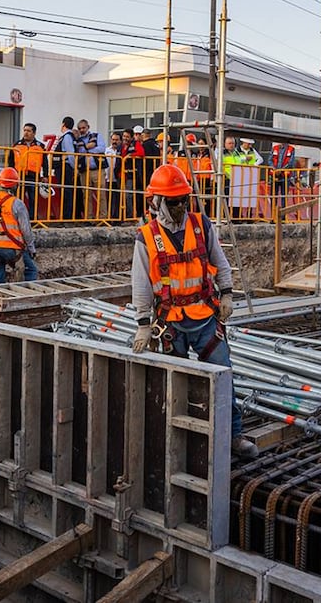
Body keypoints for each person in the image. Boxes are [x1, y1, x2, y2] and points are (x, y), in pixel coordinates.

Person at [130, 164, 259, 459]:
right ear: (157, 201)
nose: (179, 207)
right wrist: (142, 323)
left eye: (183, 200)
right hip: (170, 321)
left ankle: (232, 436)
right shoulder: (146, 237)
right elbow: (141, 283)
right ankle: (174, 441)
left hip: (203, 316)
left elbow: (221, 262)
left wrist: (226, 294)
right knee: (172, 382)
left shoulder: (201, 225)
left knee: (223, 375)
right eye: (173, 201)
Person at [0, 168, 37, 284]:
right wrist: (31, 249)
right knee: (31, 270)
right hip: (12, 249)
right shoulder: (17, 203)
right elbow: (26, 230)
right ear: (14, 186)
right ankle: (28, 296)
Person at [7, 123, 49, 221]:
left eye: (29, 131)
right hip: (19, 176)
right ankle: (16, 218)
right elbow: (11, 161)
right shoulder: (17, 145)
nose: (26, 133)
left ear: (34, 133)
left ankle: (32, 219)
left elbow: (45, 163)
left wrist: (45, 175)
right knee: (18, 199)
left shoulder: (40, 146)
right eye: (25, 130)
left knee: (33, 199)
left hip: (33, 176)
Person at [53, 116, 81, 220]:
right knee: (65, 192)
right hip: (63, 167)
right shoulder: (67, 136)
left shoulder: (67, 137)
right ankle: (65, 216)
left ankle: (67, 217)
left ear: (63, 124)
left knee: (66, 193)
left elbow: (70, 154)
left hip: (65, 167)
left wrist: (74, 168)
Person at [270, 142, 297, 209]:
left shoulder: (291, 149)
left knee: (284, 195)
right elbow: (270, 160)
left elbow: (290, 163)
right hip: (274, 175)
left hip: (285, 176)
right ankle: (273, 214)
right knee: (273, 195)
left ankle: (283, 215)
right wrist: (274, 168)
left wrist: (281, 170)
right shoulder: (275, 148)